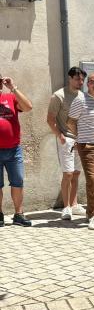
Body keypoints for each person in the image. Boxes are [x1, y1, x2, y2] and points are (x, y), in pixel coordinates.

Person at [67, 74, 94, 230]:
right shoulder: (80, 100)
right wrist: (79, 138)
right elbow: (70, 121)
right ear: (88, 84)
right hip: (87, 147)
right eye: (93, 82)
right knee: (92, 180)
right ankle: (92, 216)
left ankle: (93, 212)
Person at [46, 66, 86, 220]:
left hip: (80, 140)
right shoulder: (58, 96)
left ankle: (74, 204)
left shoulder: (82, 96)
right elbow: (50, 119)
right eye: (77, 79)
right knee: (68, 174)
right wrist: (60, 136)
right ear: (70, 79)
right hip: (66, 139)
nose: (80, 82)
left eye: (82, 79)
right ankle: (66, 207)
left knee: (76, 173)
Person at [0, 75, 33, 227]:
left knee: (18, 181)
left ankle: (18, 215)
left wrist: (13, 88)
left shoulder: (10, 97)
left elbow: (28, 107)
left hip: (14, 150)